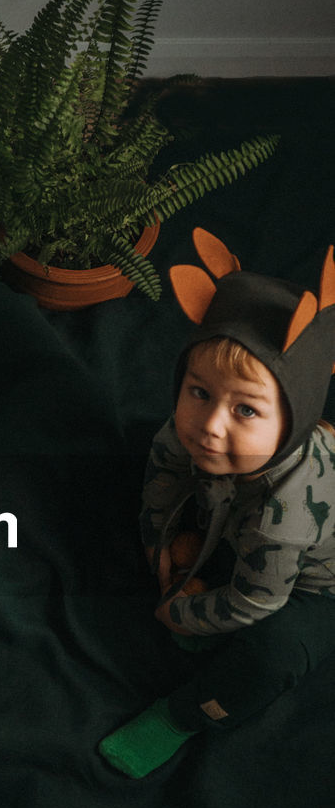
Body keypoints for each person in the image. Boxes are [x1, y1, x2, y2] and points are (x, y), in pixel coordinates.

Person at [99, 228, 335, 778]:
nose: (209, 426)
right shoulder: (189, 436)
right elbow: (160, 482)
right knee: (161, 458)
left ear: (293, 420)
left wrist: (176, 610)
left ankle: (182, 717)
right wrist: (159, 547)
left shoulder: (287, 520)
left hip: (308, 586)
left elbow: (256, 603)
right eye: (199, 392)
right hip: (241, 516)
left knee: (274, 655)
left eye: (246, 410)